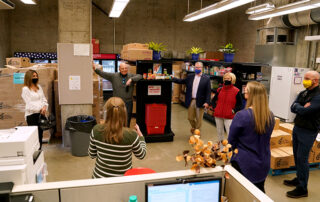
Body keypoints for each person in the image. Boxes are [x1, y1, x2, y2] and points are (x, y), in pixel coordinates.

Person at [228, 81, 275, 193]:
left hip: (244, 162)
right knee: (258, 192)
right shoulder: (270, 116)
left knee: (241, 194)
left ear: (250, 94)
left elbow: (231, 141)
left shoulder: (241, 115)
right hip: (263, 162)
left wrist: (230, 156)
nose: (244, 90)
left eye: (246, 89)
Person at [88, 97, 146, 178]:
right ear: (124, 113)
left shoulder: (96, 130)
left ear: (106, 112)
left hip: (99, 180)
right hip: (122, 182)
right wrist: (141, 137)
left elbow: (92, 154)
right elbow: (141, 155)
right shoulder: (131, 135)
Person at [284, 71, 320, 198]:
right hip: (298, 127)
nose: (304, 80)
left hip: (308, 131)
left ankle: (302, 188)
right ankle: (299, 179)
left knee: (302, 158)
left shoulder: (318, 95)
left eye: (307, 78)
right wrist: (301, 106)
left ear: (315, 80)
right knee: (297, 156)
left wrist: (300, 107)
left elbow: (306, 111)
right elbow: (292, 107)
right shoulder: (304, 92)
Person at [93, 62, 142, 127]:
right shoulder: (114, 76)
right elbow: (103, 74)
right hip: (117, 103)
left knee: (127, 120)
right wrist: (95, 69)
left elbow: (140, 76)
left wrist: (131, 79)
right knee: (117, 119)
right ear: (119, 69)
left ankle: (125, 133)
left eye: (125, 68)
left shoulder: (131, 76)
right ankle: (117, 133)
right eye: (122, 68)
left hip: (128, 103)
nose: (124, 70)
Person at [172, 62, 211, 134]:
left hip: (201, 101)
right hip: (191, 100)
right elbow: (182, 81)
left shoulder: (206, 79)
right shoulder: (190, 76)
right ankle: (195, 128)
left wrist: (207, 102)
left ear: (202, 68)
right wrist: (173, 78)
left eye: (199, 67)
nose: (197, 69)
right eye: (196, 67)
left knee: (199, 119)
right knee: (190, 117)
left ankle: (196, 133)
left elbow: (208, 92)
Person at [211, 72, 242, 142]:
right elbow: (213, 100)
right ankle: (221, 150)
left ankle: (230, 150)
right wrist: (215, 108)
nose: (226, 80)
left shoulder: (236, 91)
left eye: (228, 78)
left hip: (229, 116)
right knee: (220, 133)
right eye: (225, 78)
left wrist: (233, 110)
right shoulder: (219, 90)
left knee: (230, 134)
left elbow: (240, 104)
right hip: (218, 115)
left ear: (232, 79)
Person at [21, 70, 48, 150]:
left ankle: (39, 153)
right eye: (33, 76)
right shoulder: (25, 89)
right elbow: (29, 104)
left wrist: (44, 107)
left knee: (40, 135)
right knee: (34, 136)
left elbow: (43, 99)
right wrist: (39, 109)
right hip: (31, 115)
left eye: (36, 76)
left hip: (41, 115)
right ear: (29, 77)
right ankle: (34, 154)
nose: (35, 77)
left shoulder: (39, 87)